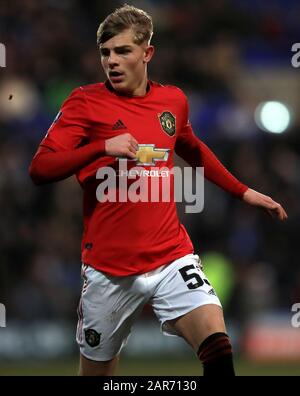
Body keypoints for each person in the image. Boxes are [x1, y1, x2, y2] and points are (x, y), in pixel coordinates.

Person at [29, 5, 287, 376]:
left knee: (218, 346)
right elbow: (40, 169)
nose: (111, 62)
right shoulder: (84, 103)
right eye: (105, 53)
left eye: (122, 51)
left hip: (170, 257)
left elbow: (191, 147)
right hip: (108, 271)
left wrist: (242, 190)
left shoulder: (172, 101)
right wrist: (102, 147)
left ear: (147, 53)